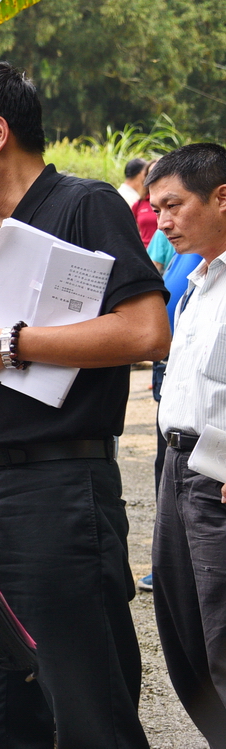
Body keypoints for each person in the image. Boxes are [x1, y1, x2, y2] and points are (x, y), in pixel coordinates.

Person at [0, 61, 169, 749]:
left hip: (61, 492)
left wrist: (11, 344)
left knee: (90, 713)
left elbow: (147, 331)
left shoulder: (84, 205)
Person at [146, 143, 226, 744]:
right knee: (184, 633)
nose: (164, 222)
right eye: (157, 209)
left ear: (221, 198)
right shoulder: (198, 280)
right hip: (176, 465)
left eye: (174, 206)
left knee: (221, 632)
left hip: (216, 473)